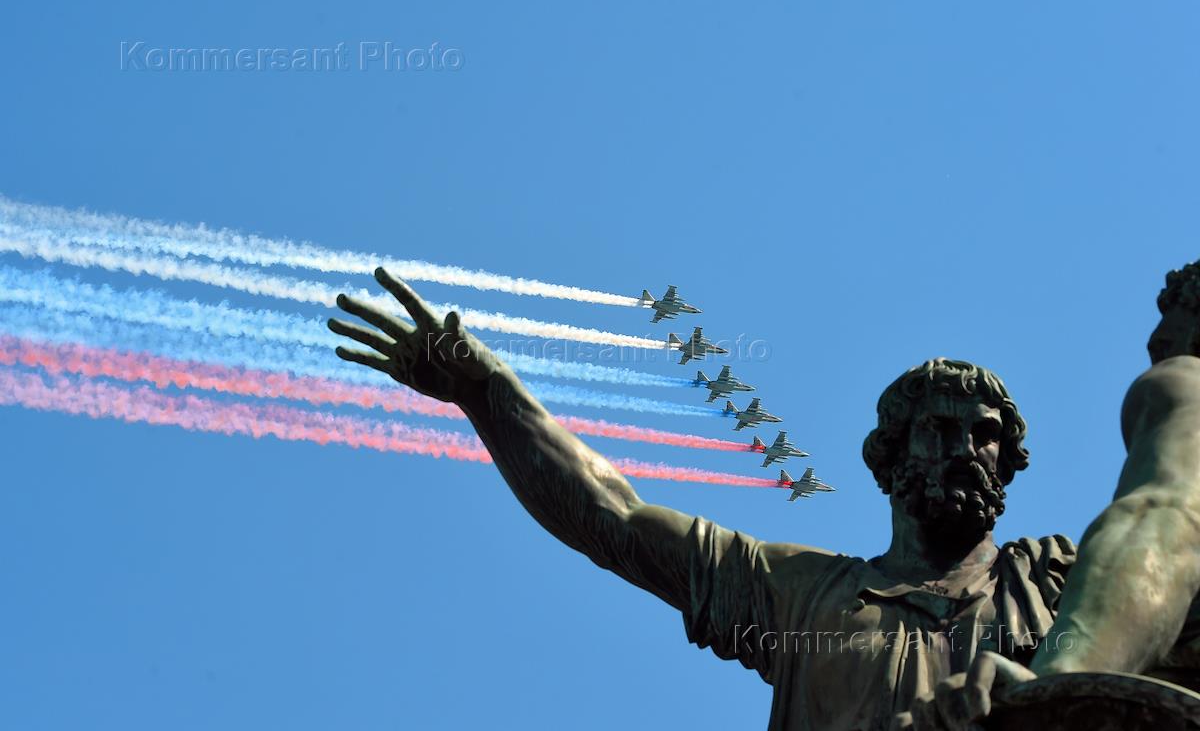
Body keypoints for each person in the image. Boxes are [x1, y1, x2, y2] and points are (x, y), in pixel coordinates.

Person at [328, 269, 1075, 731]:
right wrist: (489, 395)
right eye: (938, 429)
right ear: (891, 457)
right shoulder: (799, 594)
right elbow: (614, 518)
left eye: (986, 435)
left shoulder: (1062, 583)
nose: (966, 448)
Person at [895, 259, 1200, 730]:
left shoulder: (1184, 381)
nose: (1155, 343)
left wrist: (1059, 684)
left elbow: (1166, 518)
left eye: (1171, 325)